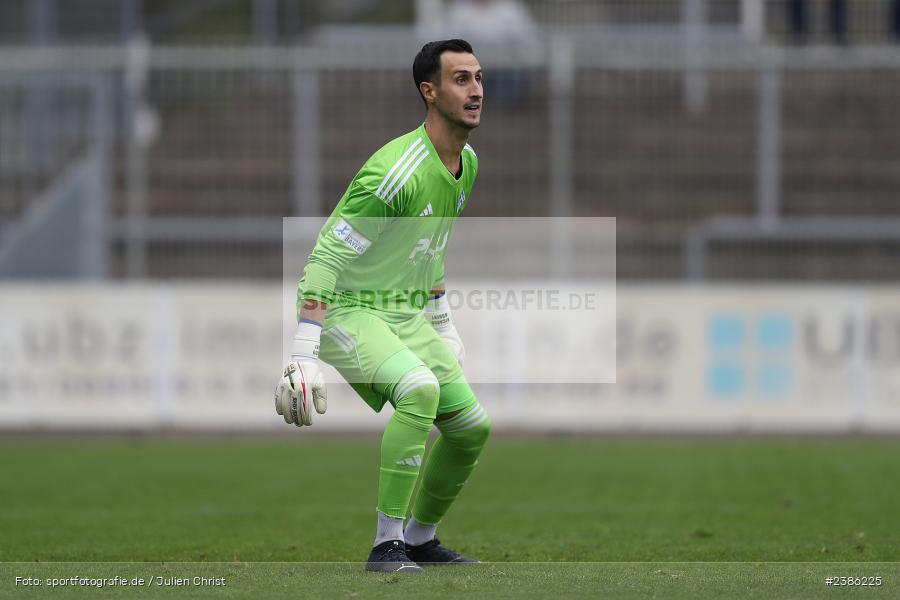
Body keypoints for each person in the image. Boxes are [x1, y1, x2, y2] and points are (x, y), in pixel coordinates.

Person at [275, 39, 490, 573]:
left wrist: (442, 323)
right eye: (460, 79)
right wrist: (305, 352)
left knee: (471, 429)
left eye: (479, 78)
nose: (476, 90)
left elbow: (429, 249)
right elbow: (324, 257)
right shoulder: (395, 171)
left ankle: (419, 539)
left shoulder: (467, 163)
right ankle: (385, 545)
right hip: (348, 311)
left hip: (403, 315)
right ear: (429, 91)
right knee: (420, 390)